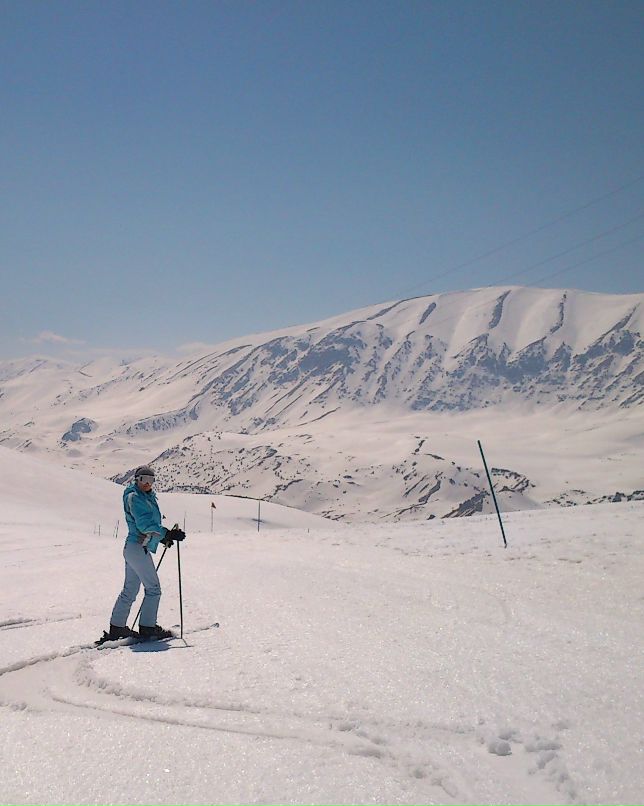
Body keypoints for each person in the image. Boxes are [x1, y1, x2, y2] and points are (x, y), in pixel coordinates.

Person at [106, 465, 185, 641]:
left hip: (135, 547)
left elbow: (146, 526)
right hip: (137, 547)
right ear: (137, 480)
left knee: (130, 589)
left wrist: (162, 538)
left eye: (151, 480)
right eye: (144, 480)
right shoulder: (135, 497)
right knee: (154, 588)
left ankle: (117, 628)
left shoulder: (145, 496)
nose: (147, 484)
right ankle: (148, 627)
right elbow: (144, 525)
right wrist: (166, 533)